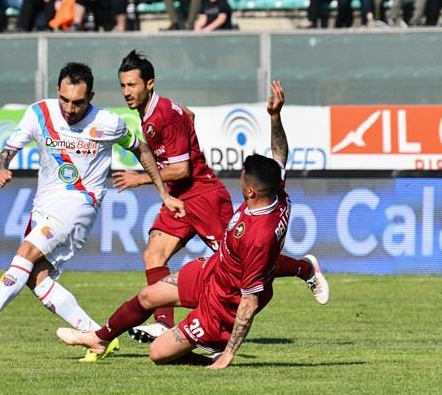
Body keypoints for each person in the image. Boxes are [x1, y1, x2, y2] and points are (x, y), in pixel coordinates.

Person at [0, 62, 187, 360]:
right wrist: (1, 168)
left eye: (78, 102)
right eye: (65, 100)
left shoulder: (108, 123)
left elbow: (141, 149)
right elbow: (6, 153)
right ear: (57, 90)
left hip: (80, 205)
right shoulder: (39, 113)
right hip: (45, 204)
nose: (70, 109)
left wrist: (162, 192)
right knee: (36, 277)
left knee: (25, 252)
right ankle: (98, 336)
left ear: (91, 96)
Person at [59, 82, 304, 369]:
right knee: (148, 295)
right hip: (211, 272)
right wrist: (275, 116)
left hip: (221, 306)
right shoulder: (276, 192)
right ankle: (99, 339)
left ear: (250, 191)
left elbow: (249, 302)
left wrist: (229, 354)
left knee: (158, 353)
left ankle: (211, 354)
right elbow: (279, 154)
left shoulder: (258, 235)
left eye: (242, 179)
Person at [115, 52, 328, 343]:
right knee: (154, 254)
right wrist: (187, 135)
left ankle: (305, 268)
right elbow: (189, 115)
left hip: (203, 196)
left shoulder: (162, 115)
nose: (127, 92)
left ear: (149, 84)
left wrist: (140, 178)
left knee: (239, 260)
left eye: (132, 85)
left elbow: (182, 169)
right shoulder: (155, 112)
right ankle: (163, 324)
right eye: (123, 85)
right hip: (180, 196)